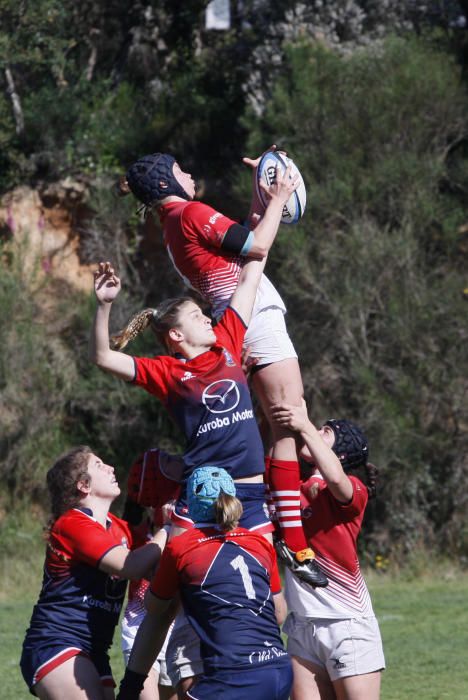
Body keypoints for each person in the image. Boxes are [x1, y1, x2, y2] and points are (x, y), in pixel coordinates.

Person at [89, 166, 325, 589]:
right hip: (256, 318)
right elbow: (257, 247)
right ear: (165, 181)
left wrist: (262, 196)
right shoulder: (191, 213)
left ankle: (279, 534)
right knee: (289, 419)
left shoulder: (175, 224)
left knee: (279, 427)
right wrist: (280, 193)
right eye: (181, 170)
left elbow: (245, 249)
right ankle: (293, 538)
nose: (190, 174)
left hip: (243, 317)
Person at [116, 465, 293, 700]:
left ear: (191, 505)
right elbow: (279, 613)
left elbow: (155, 608)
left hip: (233, 676)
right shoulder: (259, 542)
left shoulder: (182, 546)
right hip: (278, 670)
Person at [20, 446, 169, 700]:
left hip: (96, 650)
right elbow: (131, 566)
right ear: (83, 485)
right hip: (57, 642)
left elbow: (154, 565)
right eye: (100, 465)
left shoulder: (121, 529)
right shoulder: (71, 523)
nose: (111, 468)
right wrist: (173, 526)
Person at [271, 402, 385, 700]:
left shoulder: (354, 489)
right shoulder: (293, 490)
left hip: (346, 626)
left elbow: (335, 479)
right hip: (302, 627)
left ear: (342, 454)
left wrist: (304, 424)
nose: (314, 432)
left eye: (325, 432)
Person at [121, 449, 182, 700]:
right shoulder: (130, 532)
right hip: (139, 623)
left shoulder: (190, 517)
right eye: (168, 460)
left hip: (178, 625)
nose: (178, 458)